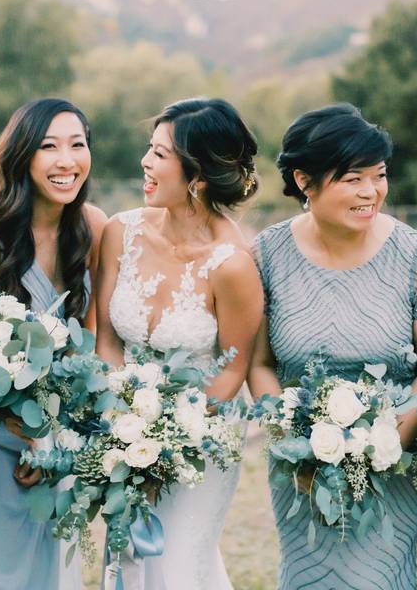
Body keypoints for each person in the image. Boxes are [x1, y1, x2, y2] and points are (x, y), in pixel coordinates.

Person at [249, 103, 417, 590]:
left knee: (378, 577)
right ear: (304, 180)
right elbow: (259, 364)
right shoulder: (265, 255)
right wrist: (291, 433)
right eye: (352, 178)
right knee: (307, 575)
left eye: (378, 175)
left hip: (395, 456)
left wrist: (379, 446)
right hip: (302, 458)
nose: (371, 192)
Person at [0, 99, 106, 589]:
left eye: (78, 144)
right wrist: (15, 421)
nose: (67, 160)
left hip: (53, 435)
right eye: (49, 147)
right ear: (23, 156)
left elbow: (88, 345)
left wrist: (55, 436)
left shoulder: (92, 227)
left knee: (45, 572)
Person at [95, 98, 264, 589]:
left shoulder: (232, 264)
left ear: (199, 175)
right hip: (121, 429)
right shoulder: (119, 232)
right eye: (149, 150)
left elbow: (232, 370)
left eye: (160, 154)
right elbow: (106, 338)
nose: (146, 163)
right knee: (127, 558)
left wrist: (168, 438)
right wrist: (124, 422)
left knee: (179, 566)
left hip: (200, 441)